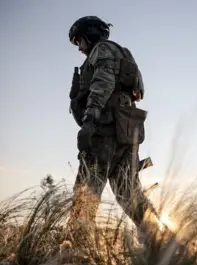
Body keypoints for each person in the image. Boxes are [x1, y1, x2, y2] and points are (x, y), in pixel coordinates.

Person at [66, 16, 150, 233]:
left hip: (104, 131)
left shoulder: (101, 50)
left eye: (79, 42)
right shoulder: (123, 53)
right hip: (127, 132)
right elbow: (138, 92)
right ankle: (159, 239)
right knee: (128, 193)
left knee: (86, 190)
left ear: (90, 34)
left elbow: (103, 83)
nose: (79, 48)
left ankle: (75, 251)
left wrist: (90, 121)